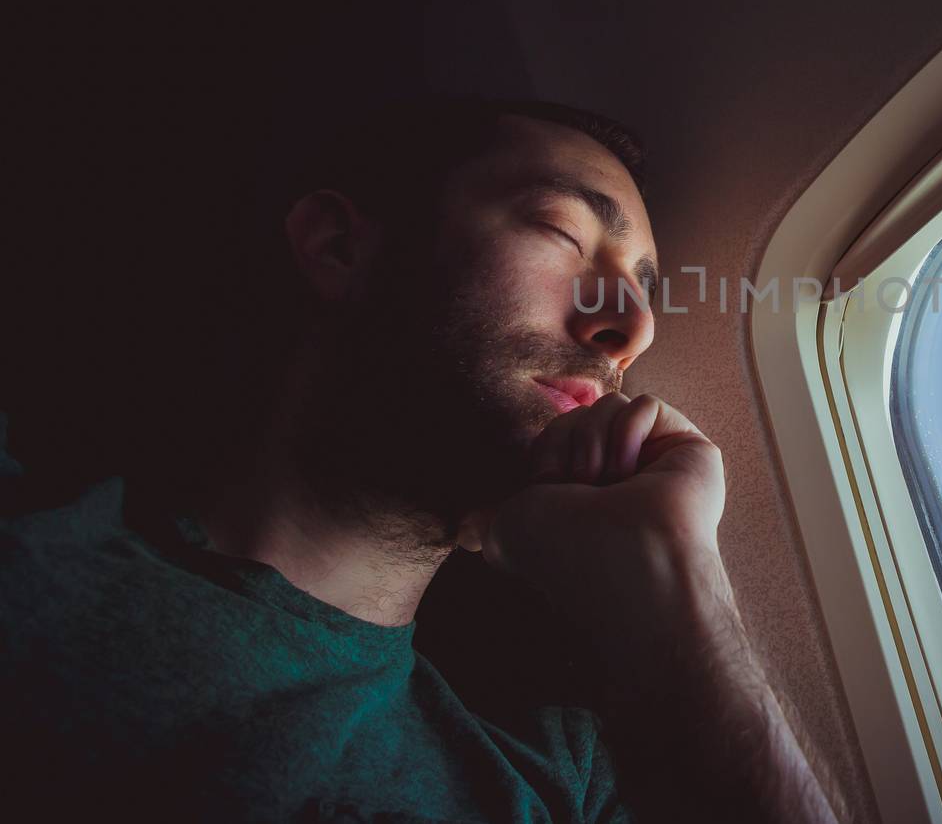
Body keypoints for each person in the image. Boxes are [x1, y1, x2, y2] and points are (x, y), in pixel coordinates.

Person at [0, 99, 847, 823]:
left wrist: (687, 599)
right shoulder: (33, 555)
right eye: (562, 229)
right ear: (339, 247)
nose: (634, 326)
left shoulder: (557, 782)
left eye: (644, 288)